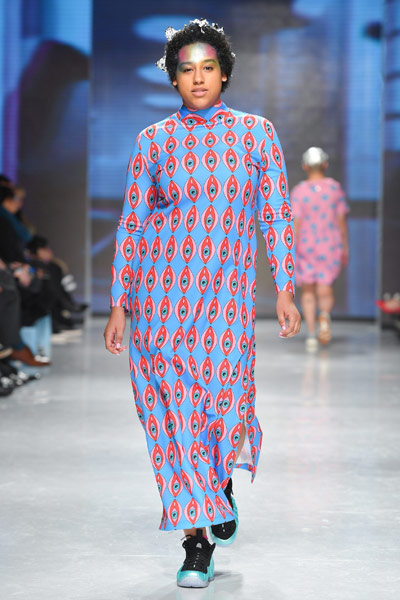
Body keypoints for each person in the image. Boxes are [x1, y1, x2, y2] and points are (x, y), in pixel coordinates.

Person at [104, 19, 300, 588]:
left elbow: (275, 214)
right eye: (186, 69)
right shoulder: (153, 140)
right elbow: (133, 223)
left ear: (224, 73)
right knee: (173, 417)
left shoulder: (256, 135)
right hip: (160, 303)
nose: (197, 78)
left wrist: (285, 287)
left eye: (207, 67)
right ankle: (196, 543)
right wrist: (119, 301)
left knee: (226, 406)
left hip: (226, 301)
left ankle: (219, 484)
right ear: (172, 77)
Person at [291, 147, 349, 349]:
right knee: (325, 287)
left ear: (304, 167)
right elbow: (341, 221)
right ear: (325, 164)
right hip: (329, 244)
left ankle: (311, 335)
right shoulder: (334, 188)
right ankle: (324, 316)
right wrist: (345, 247)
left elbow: (296, 223)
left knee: (308, 290)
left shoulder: (299, 191)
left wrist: (290, 250)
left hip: (305, 244)